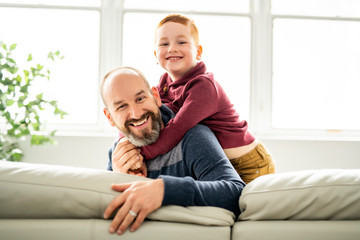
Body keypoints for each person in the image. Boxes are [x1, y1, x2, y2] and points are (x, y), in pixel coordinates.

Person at [125, 13, 275, 184]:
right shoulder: (164, 83)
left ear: (198, 51)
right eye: (164, 43)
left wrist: (139, 154)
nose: (172, 48)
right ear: (155, 54)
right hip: (217, 161)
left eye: (181, 42)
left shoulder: (204, 86)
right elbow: (152, 114)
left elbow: (176, 129)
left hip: (250, 163)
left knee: (246, 207)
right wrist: (126, 141)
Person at [101, 66, 245, 234]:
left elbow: (235, 192)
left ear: (155, 96)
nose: (135, 113)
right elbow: (105, 213)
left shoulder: (193, 138)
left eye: (140, 99)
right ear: (110, 117)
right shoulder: (117, 154)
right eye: (121, 107)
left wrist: (164, 190)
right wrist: (118, 177)